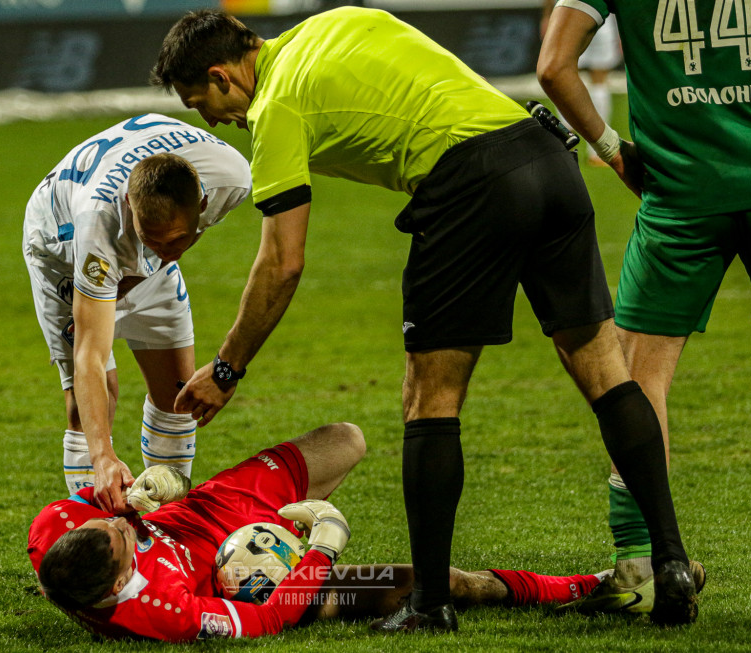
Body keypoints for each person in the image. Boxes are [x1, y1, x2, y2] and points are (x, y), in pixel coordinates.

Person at [150, 6, 697, 631]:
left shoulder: (275, 106)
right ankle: (670, 563)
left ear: (221, 76)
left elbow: (282, 262)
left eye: (200, 103)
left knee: (429, 398)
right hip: (545, 155)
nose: (212, 119)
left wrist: (227, 368)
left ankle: (430, 603)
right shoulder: (334, 23)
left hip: (471, 185)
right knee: (606, 373)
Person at [538, 0, 751, 613]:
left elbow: (554, 67)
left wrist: (613, 149)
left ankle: (642, 564)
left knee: (637, 378)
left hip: (679, 192)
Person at [27, 422, 641, 641]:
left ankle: (278, 522)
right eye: (123, 537)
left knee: (345, 440)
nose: (120, 524)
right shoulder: (162, 613)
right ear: (120, 581)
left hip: (210, 510)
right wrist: (321, 547)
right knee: (438, 583)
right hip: (252, 578)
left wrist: (147, 493)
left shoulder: (55, 527)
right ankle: (590, 586)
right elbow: (270, 619)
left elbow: (98, 504)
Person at [22, 114, 251, 513]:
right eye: (152, 238)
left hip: (134, 245)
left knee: (178, 396)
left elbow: (163, 244)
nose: (166, 248)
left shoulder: (232, 178)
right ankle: (98, 533)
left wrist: (154, 254)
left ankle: (166, 522)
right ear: (130, 204)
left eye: (177, 239)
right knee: (93, 403)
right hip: (62, 250)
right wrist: (102, 456)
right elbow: (90, 355)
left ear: (202, 204)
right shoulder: (99, 230)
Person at [540, 0, 622, 166]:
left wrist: (547, 15)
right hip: (601, 20)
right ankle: (599, 152)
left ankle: (564, 136)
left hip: (567, 16)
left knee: (561, 74)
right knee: (599, 82)